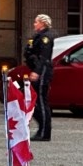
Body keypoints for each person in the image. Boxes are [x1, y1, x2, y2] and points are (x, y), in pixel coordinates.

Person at [23, 13, 55, 141]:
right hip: (35, 69)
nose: (34, 24)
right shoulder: (37, 37)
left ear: (43, 23)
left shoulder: (46, 37)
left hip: (42, 72)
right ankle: (41, 128)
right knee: (33, 100)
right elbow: (29, 51)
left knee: (41, 102)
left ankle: (45, 132)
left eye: (36, 22)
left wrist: (37, 71)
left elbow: (44, 57)